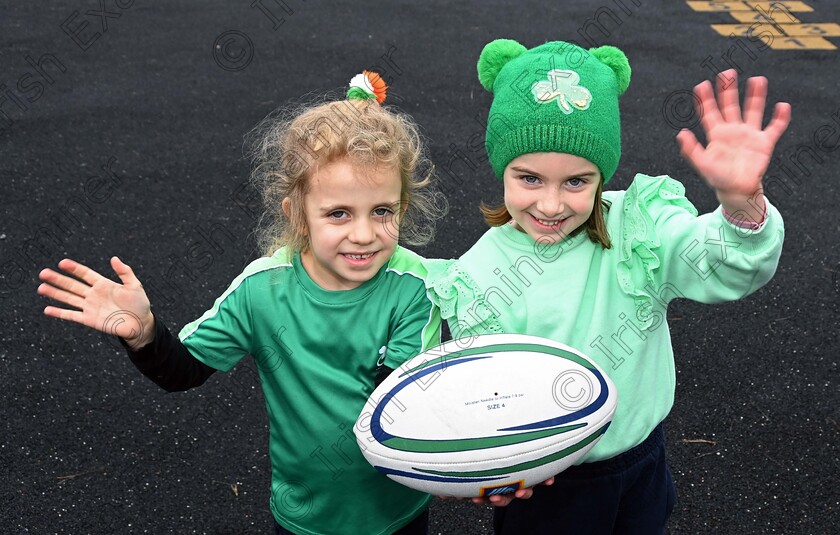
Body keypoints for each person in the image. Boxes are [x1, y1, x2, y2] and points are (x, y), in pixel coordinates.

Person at [37, 71, 447, 535]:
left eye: (382, 211)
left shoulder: (413, 286)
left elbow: (407, 407)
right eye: (338, 213)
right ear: (298, 216)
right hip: (303, 514)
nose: (364, 234)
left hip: (395, 513)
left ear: (402, 208)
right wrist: (145, 333)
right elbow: (183, 370)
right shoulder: (262, 290)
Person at [422, 39, 791, 534]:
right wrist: (488, 468)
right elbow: (483, 391)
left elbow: (723, 266)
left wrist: (741, 204)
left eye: (577, 181)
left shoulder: (639, 229)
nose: (551, 205)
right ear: (500, 169)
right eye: (529, 178)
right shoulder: (482, 272)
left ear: (601, 175)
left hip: (642, 463)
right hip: (549, 484)